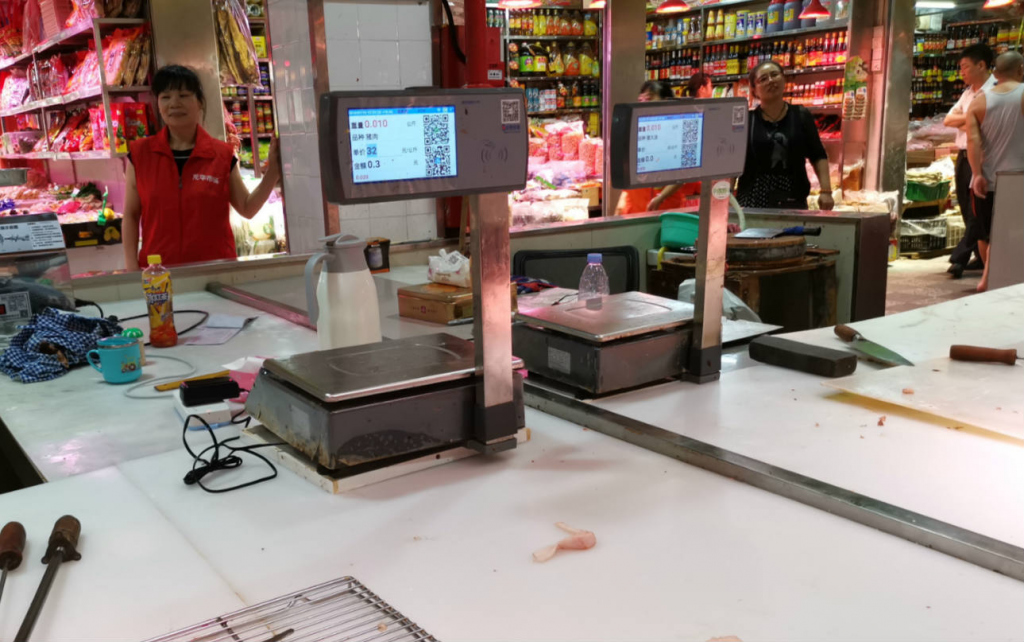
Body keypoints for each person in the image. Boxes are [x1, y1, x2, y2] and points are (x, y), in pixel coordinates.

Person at [122, 65, 281, 271]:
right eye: (165, 97)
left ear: (199, 102)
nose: (174, 103)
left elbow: (247, 208)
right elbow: (131, 215)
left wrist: (273, 172)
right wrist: (131, 269)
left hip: (214, 270)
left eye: (183, 95)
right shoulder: (140, 155)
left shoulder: (222, 155)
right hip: (157, 274)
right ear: (158, 105)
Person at [735, 61, 833, 210]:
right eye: (763, 79)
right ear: (754, 90)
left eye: (775, 75)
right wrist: (725, 195)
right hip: (752, 201)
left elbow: (818, 154)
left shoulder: (800, 115)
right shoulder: (747, 120)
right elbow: (733, 160)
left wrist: (826, 191)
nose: (771, 81)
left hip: (793, 198)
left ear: (784, 79)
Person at [966, 51, 1024, 293]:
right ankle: (1004, 279)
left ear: (995, 72)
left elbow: (972, 141)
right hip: (1018, 178)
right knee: (1016, 232)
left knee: (989, 235)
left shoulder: (979, 101)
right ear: (1020, 69)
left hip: (987, 181)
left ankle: (989, 278)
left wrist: (977, 173)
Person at [943, 44, 995, 280]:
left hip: (982, 156)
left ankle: (960, 258)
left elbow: (986, 126)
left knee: (977, 210)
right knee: (966, 207)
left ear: (981, 65)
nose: (961, 72)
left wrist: (967, 121)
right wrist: (973, 117)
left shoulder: (994, 91)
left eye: (965, 67)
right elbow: (948, 120)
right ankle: (978, 256)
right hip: (962, 156)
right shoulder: (968, 94)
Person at [615, 81, 691, 215]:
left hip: (666, 210)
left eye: (649, 98)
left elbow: (684, 173)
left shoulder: (678, 130)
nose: (643, 103)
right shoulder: (636, 129)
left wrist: (661, 197)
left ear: (666, 101)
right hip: (635, 209)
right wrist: (620, 207)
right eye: (641, 99)